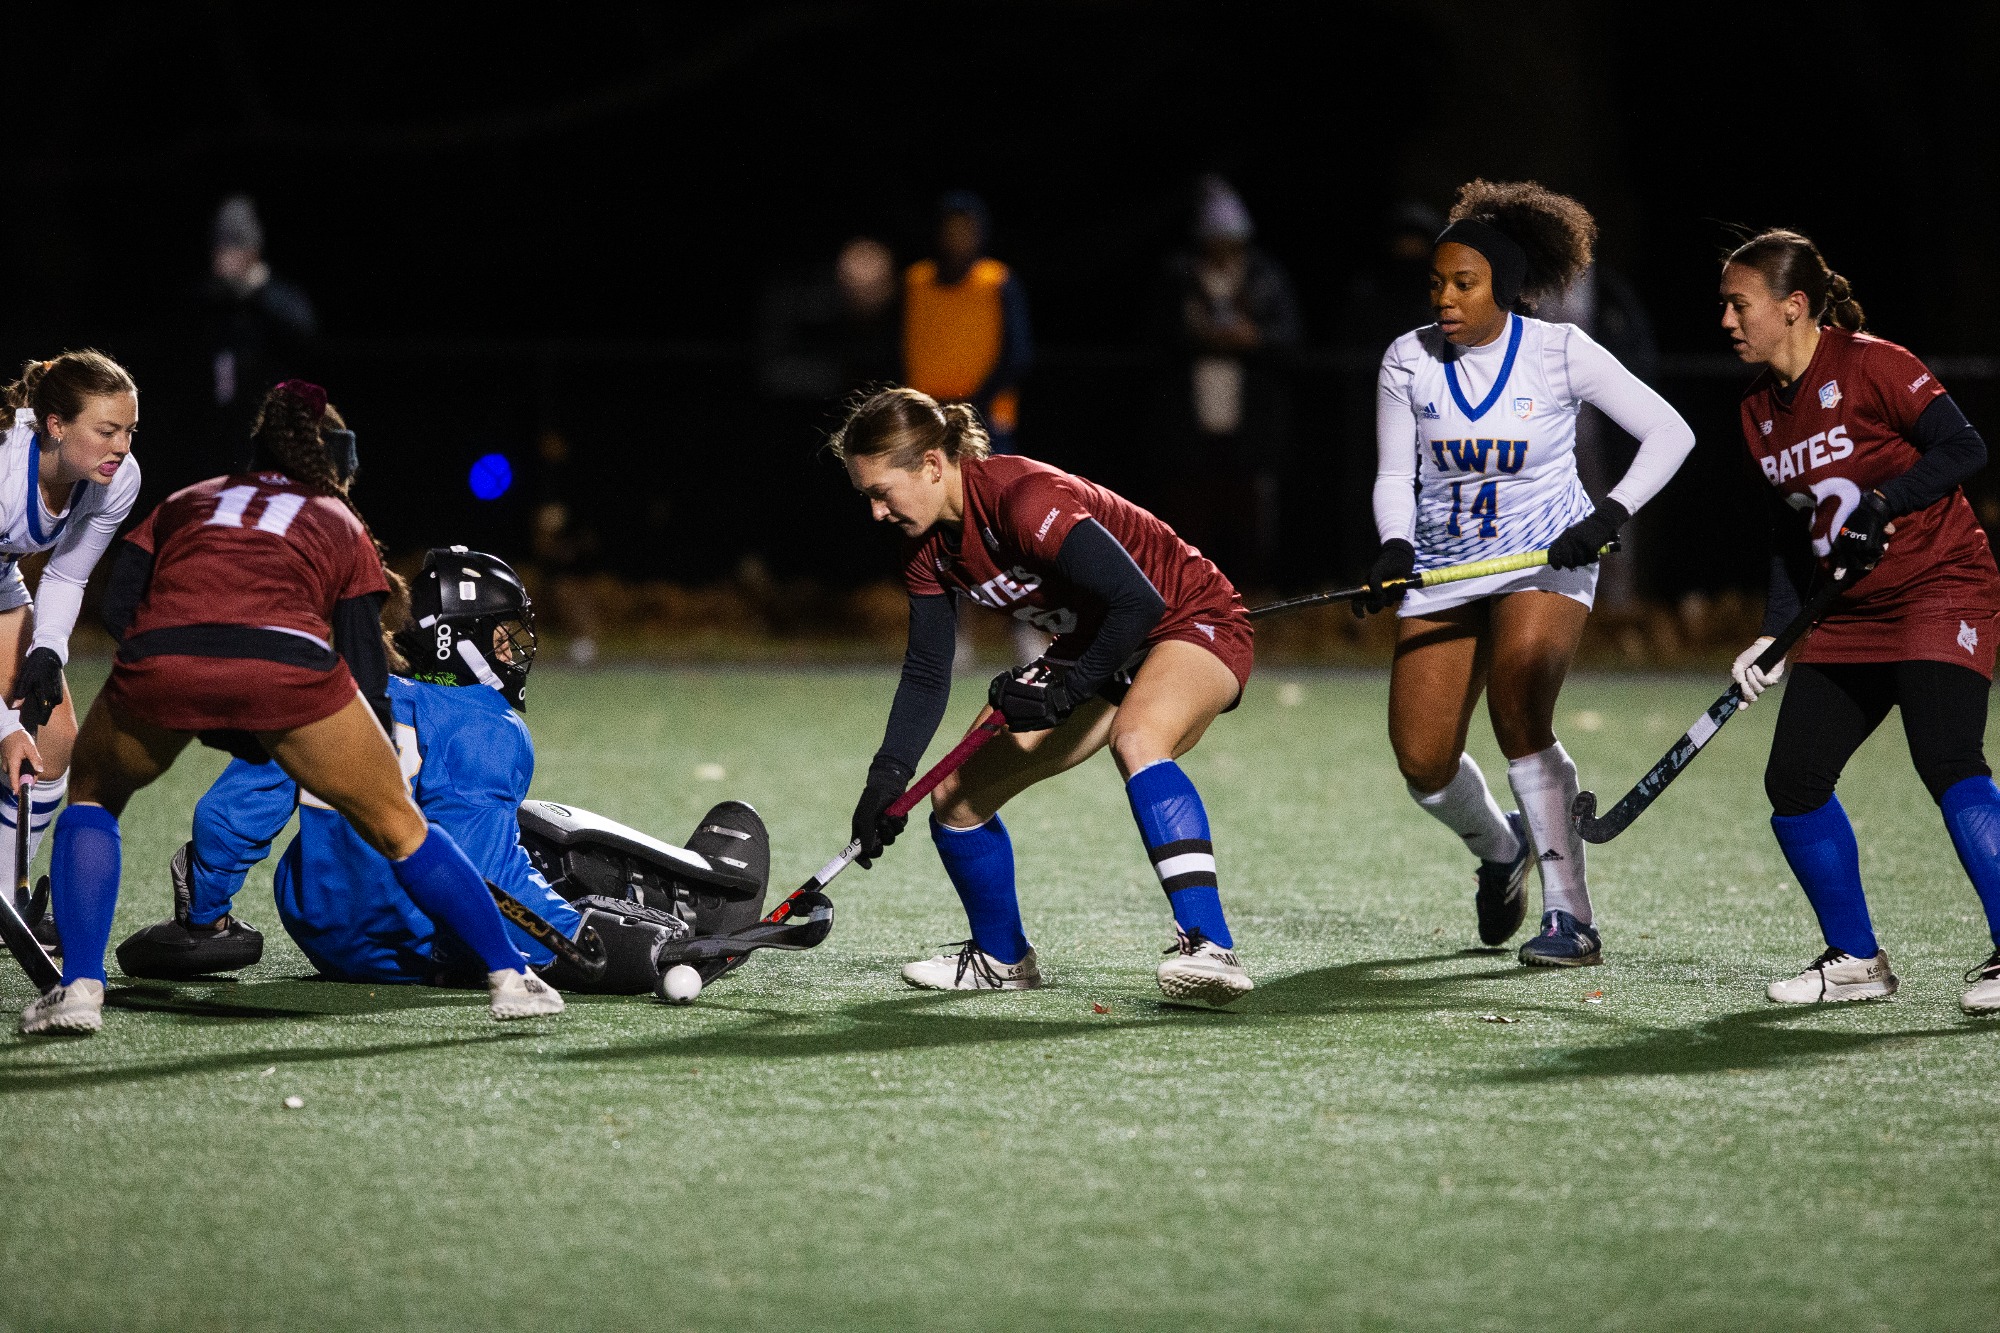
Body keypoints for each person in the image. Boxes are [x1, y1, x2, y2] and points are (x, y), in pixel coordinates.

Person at [20, 382, 564, 1035]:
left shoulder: (190, 498)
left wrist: (177, 675)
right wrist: (355, 736)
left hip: (167, 652)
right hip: (286, 666)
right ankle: (511, 976)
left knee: (91, 796)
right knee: (402, 824)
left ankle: (80, 986)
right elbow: (363, 658)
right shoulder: (337, 518)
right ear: (331, 456)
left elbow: (119, 602)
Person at [1355, 180, 1695, 967]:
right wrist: (1396, 546)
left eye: (1464, 283)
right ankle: (1502, 849)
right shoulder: (1408, 358)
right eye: (1437, 283)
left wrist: (1607, 516)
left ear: (1504, 287)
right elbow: (1394, 475)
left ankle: (1571, 917)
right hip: (1446, 566)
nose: (1445, 297)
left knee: (1518, 705)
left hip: (1544, 558)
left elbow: (1669, 432)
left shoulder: (1558, 351)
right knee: (1423, 761)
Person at [835, 387, 1256, 1006]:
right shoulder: (925, 549)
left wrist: (1068, 691)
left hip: (1186, 617)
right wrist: (885, 781)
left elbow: (1138, 601)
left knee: (1139, 736)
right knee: (956, 797)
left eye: (881, 492)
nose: (876, 512)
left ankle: (1210, 945)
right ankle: (1003, 958)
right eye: (866, 497)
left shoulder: (1024, 500)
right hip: (1093, 643)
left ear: (930, 464)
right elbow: (927, 670)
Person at [1718, 230, 2000, 1014]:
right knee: (1794, 780)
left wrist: (1886, 502)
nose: (1728, 321)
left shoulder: (1875, 364)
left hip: (1941, 584)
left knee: (1947, 757)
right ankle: (1855, 961)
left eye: (1739, 305)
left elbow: (1964, 447)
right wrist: (1776, 633)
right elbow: (1789, 532)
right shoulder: (1756, 412)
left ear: (1793, 306)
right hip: (1850, 610)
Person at [0, 352, 145, 931]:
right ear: (56, 425)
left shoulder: (117, 480)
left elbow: (65, 575)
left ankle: (3, 901)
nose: (122, 447)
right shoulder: (4, 467)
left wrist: (47, 649)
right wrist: (3, 727)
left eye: (130, 431)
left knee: (55, 743)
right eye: (107, 431)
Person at [1156, 176, 1302, 588]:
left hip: (1252, 424)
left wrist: (1254, 338)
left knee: (1250, 522)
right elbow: (1156, 332)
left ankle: (1252, 599)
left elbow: (1290, 335)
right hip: (1191, 423)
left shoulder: (1265, 277)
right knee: (1189, 516)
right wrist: (1196, 335)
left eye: (1230, 242)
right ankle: (1188, 596)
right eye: (1214, 241)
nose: (1222, 250)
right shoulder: (1181, 276)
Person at [901, 192, 1032, 454]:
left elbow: (1018, 354)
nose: (957, 237)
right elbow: (899, 345)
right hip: (924, 415)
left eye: (965, 229)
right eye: (950, 229)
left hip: (986, 417)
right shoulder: (916, 280)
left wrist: (978, 401)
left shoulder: (997, 280)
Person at [202, 196, 317, 476]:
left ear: (251, 252)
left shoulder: (277, 296)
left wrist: (257, 293)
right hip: (224, 427)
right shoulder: (214, 300)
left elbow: (304, 333)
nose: (221, 259)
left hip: (274, 425)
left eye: (230, 250)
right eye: (219, 249)